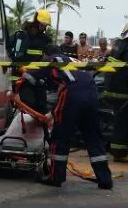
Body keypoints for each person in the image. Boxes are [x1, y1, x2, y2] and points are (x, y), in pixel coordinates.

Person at [23, 48, 112, 189]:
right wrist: (53, 112)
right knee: (93, 136)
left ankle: (55, 177)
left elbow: (29, 77)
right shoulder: (74, 60)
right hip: (92, 92)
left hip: (72, 93)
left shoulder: (52, 60)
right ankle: (105, 179)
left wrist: (21, 79)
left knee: (60, 136)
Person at [105, 22, 128, 163]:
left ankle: (119, 151)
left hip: (113, 89)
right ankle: (120, 154)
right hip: (123, 90)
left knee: (120, 122)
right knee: (124, 123)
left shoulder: (119, 44)